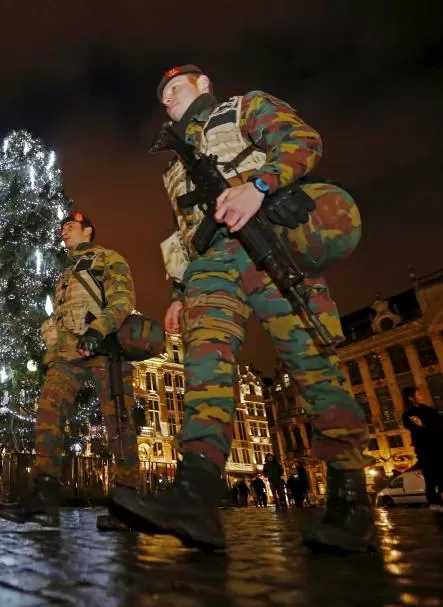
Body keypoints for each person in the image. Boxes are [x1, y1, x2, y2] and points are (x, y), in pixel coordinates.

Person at [110, 65, 373, 553]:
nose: (167, 100)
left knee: (310, 362)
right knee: (203, 361)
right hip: (211, 264)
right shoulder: (172, 165)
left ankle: (351, 497)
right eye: (162, 96)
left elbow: (302, 141)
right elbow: (185, 229)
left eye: (175, 89)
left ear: (203, 84)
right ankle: (196, 492)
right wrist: (177, 290)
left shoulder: (243, 108)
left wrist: (260, 186)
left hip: (268, 243)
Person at [0, 211, 139, 530]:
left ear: (88, 231)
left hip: (105, 346)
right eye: (62, 228)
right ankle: (45, 497)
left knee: (118, 419)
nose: (64, 232)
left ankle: (128, 502)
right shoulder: (65, 274)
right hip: (69, 352)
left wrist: (98, 330)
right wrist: (51, 335)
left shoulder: (108, 258)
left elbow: (123, 299)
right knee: (48, 408)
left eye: (71, 227)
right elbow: (62, 316)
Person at [401, 387, 443, 519]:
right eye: (418, 394)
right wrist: (421, 426)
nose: (421, 395)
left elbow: (438, 422)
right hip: (430, 450)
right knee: (441, 476)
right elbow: (419, 432)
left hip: (442, 446)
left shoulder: (428, 409)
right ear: (411, 398)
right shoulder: (409, 414)